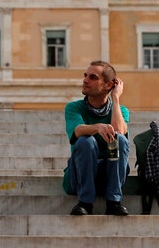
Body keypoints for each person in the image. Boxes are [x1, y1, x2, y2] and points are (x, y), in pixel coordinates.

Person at [63, 60, 130, 216]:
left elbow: (119, 131)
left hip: (110, 177)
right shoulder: (74, 108)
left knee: (119, 140)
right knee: (86, 141)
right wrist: (97, 127)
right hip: (80, 176)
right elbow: (77, 130)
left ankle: (114, 202)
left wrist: (116, 99)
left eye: (93, 77)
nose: (85, 80)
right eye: (85, 75)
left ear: (108, 85)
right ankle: (85, 203)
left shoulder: (121, 110)